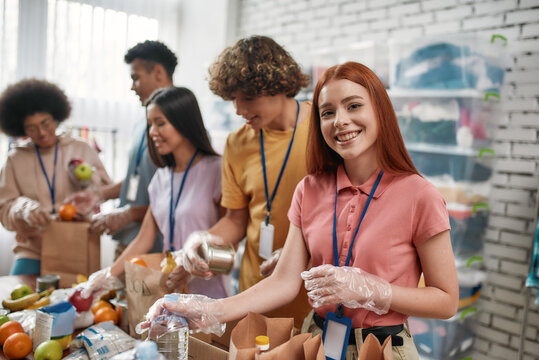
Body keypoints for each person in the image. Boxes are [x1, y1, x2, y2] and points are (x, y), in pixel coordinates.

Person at [141, 62, 459, 359]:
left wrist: (376, 291)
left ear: (380, 110)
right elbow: (284, 282)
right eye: (327, 112)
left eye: (354, 106)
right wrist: (212, 309)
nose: (340, 120)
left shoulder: (420, 195)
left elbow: (446, 300)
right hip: (316, 341)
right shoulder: (310, 189)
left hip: (384, 346)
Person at [175, 35, 312, 328]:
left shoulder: (323, 129)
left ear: (278, 86)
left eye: (247, 98)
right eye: (233, 99)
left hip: (314, 292)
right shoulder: (237, 144)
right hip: (256, 290)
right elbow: (236, 220)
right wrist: (203, 240)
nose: (238, 110)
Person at [78, 86, 228, 299]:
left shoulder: (217, 170)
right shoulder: (161, 179)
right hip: (171, 292)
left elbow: (230, 237)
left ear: (183, 122)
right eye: (150, 124)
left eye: (160, 123)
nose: (152, 132)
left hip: (210, 295)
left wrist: (197, 263)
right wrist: (106, 275)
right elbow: (142, 241)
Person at [68, 40, 178, 257]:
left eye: (136, 78)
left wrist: (128, 214)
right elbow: (136, 178)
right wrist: (99, 194)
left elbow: (179, 197)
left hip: (157, 250)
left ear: (158, 72)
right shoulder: (142, 122)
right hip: (128, 241)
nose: (132, 86)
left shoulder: (181, 126)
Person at [0, 79, 111, 275]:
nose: (41, 133)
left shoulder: (81, 148)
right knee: (16, 301)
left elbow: (106, 191)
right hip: (32, 248)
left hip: (77, 243)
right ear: (20, 128)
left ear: (57, 117)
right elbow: (4, 209)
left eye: (45, 123)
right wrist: (23, 209)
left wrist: (87, 183)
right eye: (31, 128)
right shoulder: (15, 159)